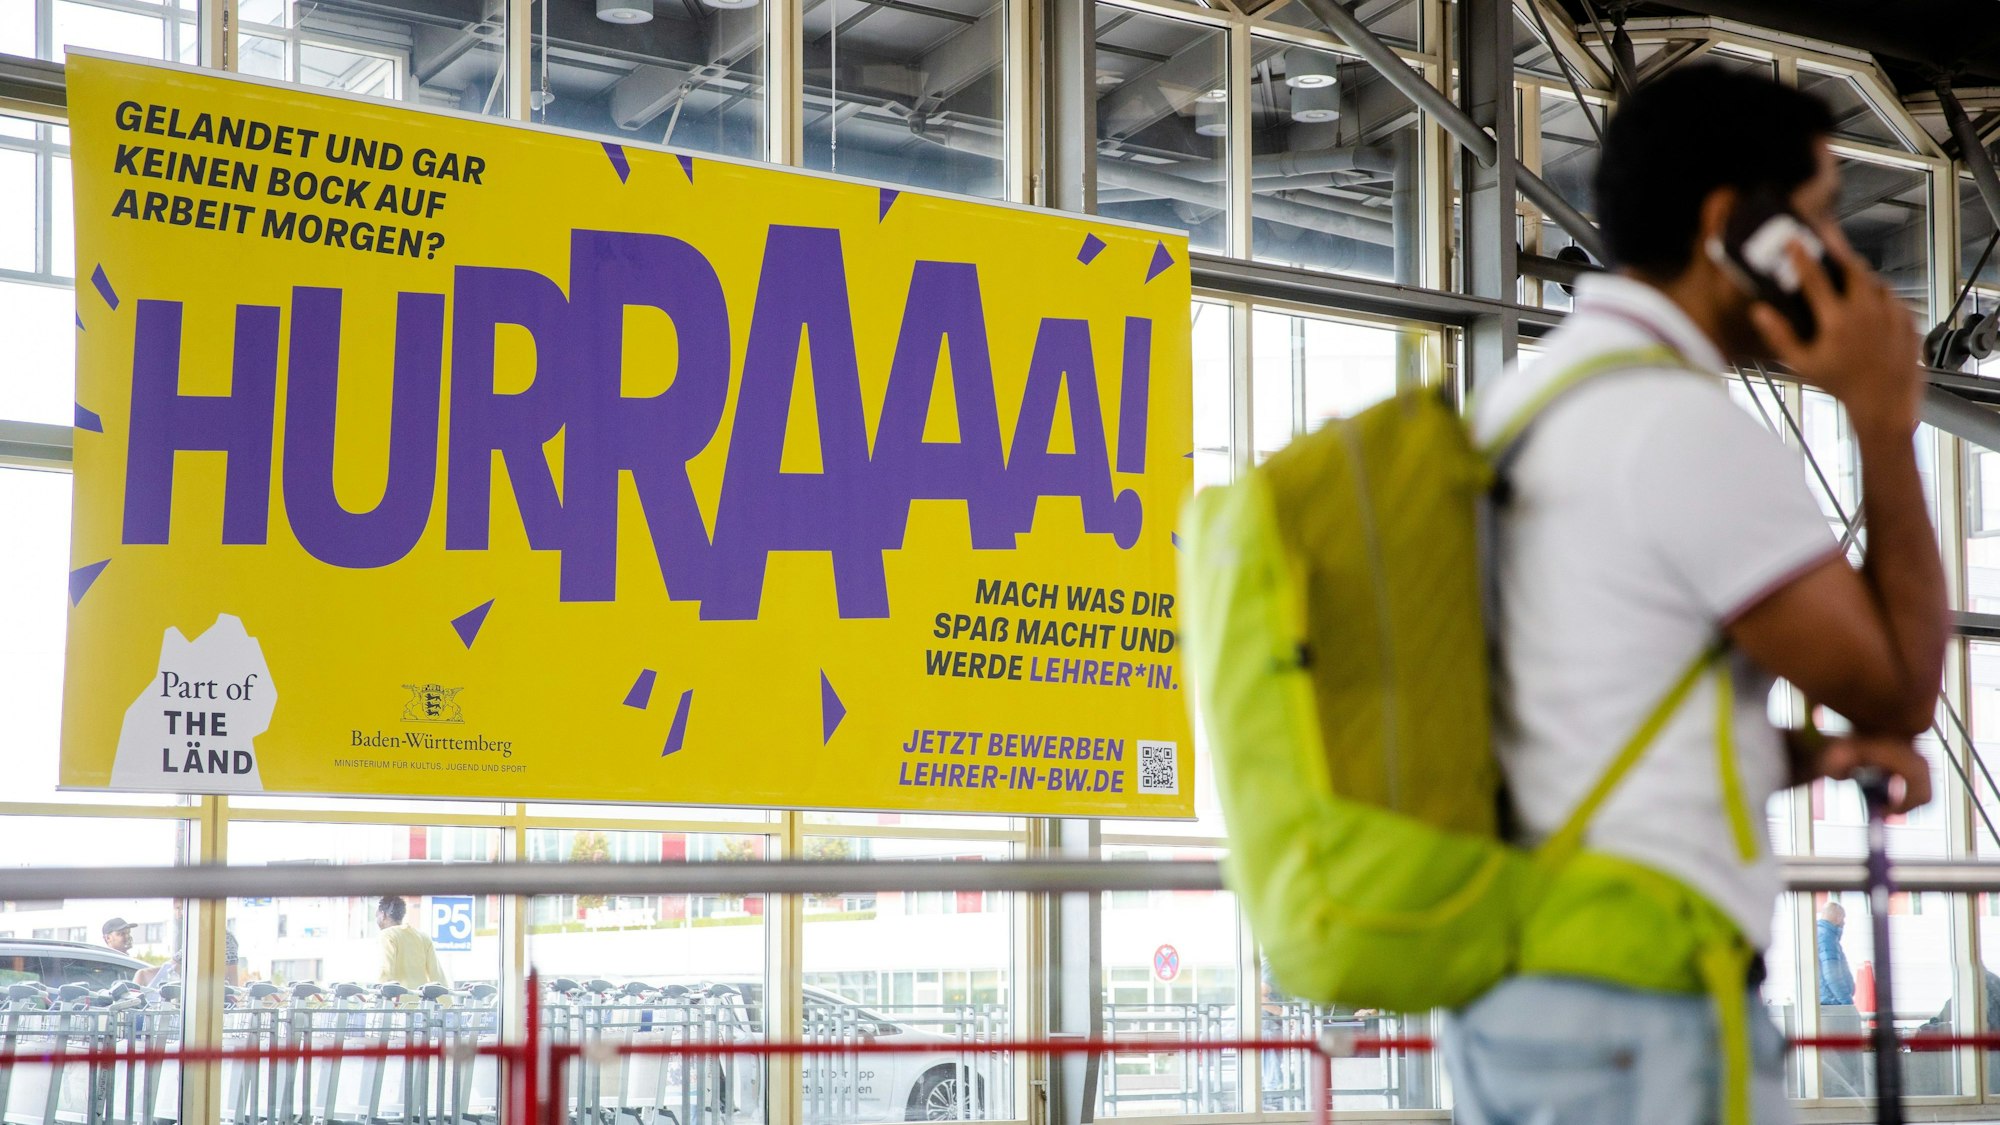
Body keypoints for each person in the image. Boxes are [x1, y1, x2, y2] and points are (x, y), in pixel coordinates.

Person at [1444, 63, 1944, 1125]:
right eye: (1819, 221)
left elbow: (1581, 704)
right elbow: (1898, 688)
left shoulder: (1525, 402)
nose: (1839, 262)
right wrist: (1882, 421)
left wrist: (1798, 755)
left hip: (1517, 985)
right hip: (1642, 997)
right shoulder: (1676, 429)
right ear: (1736, 228)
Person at [376, 896, 448, 988]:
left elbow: (385, 972)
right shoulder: (423, 937)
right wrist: (447, 1002)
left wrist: (375, 996)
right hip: (421, 1000)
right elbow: (437, 976)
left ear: (383, 915)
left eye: (376, 916)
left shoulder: (387, 935)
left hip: (398, 1001)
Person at [1816, 902, 1855, 1006]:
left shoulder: (1819, 934)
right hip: (1831, 1003)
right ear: (1838, 918)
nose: (1844, 922)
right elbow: (1832, 975)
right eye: (1843, 918)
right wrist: (1847, 1002)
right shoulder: (1827, 937)